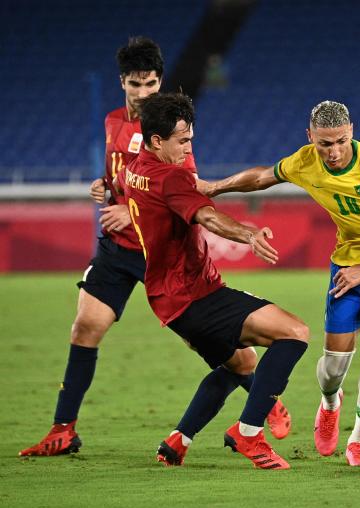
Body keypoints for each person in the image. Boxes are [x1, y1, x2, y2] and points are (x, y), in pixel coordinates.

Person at [19, 37, 290, 459]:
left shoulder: (166, 132)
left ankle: (263, 397)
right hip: (117, 249)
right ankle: (63, 430)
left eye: (150, 83)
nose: (143, 92)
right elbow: (120, 176)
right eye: (135, 84)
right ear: (122, 83)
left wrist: (131, 212)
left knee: (225, 353)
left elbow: (181, 191)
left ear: (160, 81)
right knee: (85, 327)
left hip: (159, 253)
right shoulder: (113, 121)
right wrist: (105, 187)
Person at [202, 100, 360, 467]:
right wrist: (214, 188)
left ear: (351, 131)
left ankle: (358, 441)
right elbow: (261, 178)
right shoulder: (305, 161)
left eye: (341, 141)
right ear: (311, 137)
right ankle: (330, 402)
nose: (334, 152)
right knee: (333, 370)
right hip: (347, 265)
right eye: (325, 144)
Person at [123, 92, 308, 469]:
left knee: (241, 364)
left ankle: (178, 441)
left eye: (191, 138)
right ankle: (249, 433)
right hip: (196, 295)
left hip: (167, 300)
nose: (189, 147)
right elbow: (207, 217)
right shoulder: (171, 176)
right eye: (182, 140)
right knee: (294, 333)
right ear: (157, 140)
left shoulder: (135, 167)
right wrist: (248, 234)